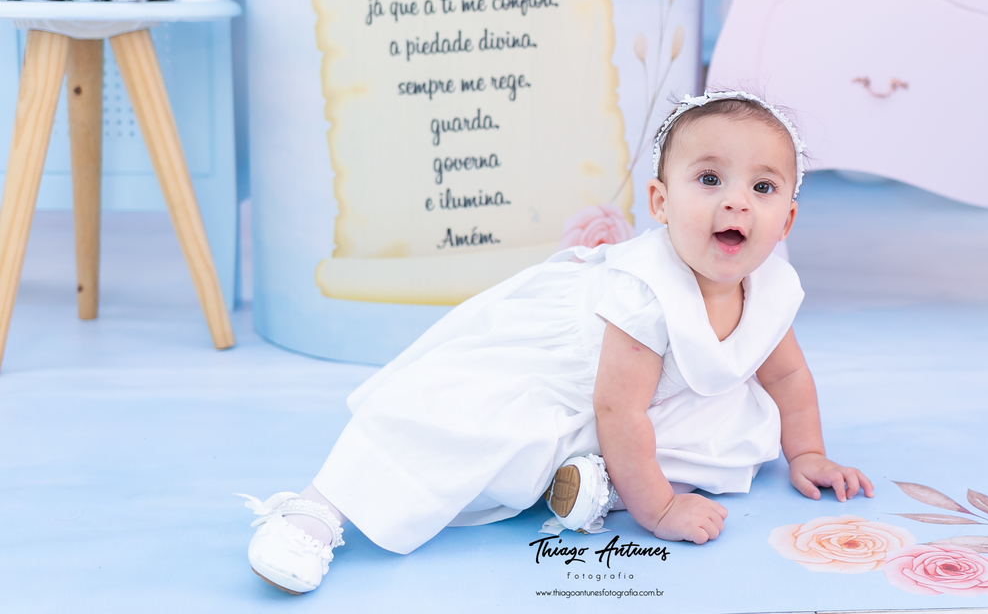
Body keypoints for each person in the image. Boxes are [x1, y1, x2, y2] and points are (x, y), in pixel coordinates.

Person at [237, 90, 874, 594]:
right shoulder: (645, 293)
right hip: (565, 370)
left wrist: (806, 452)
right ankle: (315, 514)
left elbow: (785, 377)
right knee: (464, 424)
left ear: (786, 217)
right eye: (709, 179)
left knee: (725, 436)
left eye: (762, 188)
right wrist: (659, 512)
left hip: (643, 400)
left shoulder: (768, 286)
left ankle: (585, 482)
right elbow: (616, 407)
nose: (736, 202)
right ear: (659, 200)